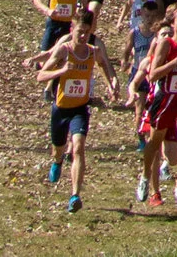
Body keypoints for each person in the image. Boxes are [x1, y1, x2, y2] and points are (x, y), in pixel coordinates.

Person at [30, 14, 118, 214]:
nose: (84, 36)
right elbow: (40, 75)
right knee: (58, 148)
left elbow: (104, 65)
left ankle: (75, 195)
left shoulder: (92, 52)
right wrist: (60, 72)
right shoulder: (64, 50)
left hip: (80, 109)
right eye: (80, 32)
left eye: (87, 32)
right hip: (61, 109)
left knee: (78, 148)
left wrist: (111, 84)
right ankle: (57, 161)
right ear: (72, 30)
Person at [134, 2, 177, 211]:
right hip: (164, 100)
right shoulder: (166, 44)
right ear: (173, 23)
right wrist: (176, 62)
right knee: (154, 143)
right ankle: (145, 176)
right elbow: (153, 75)